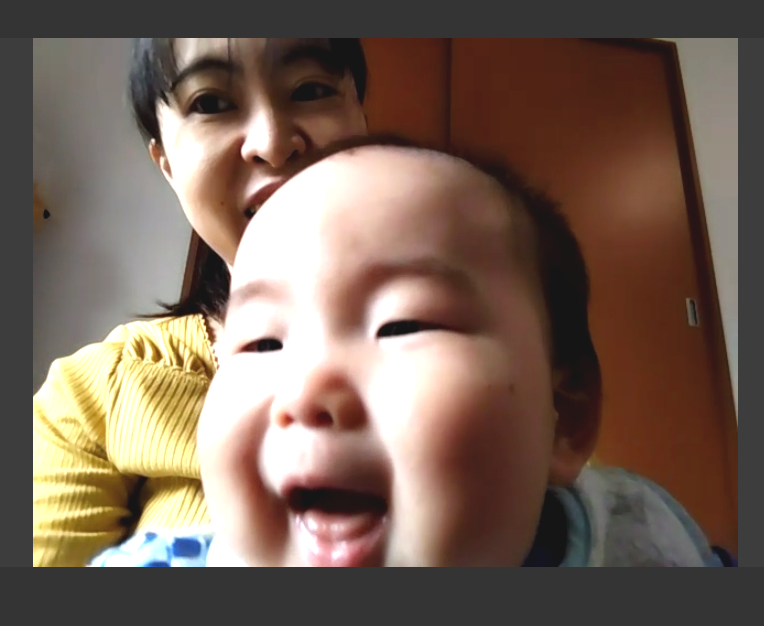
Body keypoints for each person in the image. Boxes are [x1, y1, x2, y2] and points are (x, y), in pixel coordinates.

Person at [89, 135, 737, 566]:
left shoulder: (642, 547)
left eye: (402, 325)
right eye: (262, 342)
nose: (305, 390)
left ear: (562, 414)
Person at [33, 38, 369, 567]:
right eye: (210, 102)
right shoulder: (92, 396)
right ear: (166, 164)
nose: (272, 143)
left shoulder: (486, 343)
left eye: (310, 89)